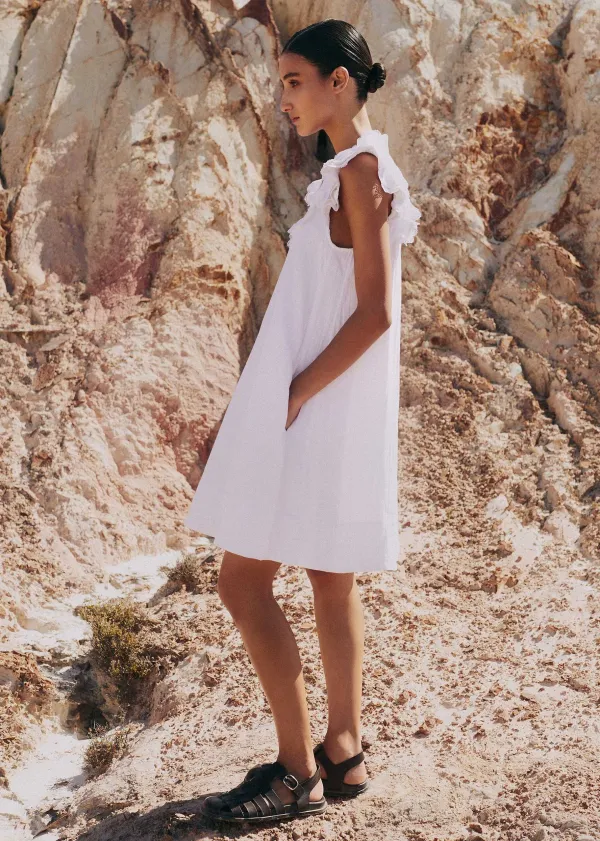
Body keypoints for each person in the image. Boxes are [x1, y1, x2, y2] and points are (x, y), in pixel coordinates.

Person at [185, 18, 421, 825]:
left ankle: (295, 772)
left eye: (294, 81)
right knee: (329, 572)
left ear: (338, 83)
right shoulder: (356, 168)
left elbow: (377, 312)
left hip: (315, 404)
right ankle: (344, 751)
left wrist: (293, 394)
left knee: (241, 579)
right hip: (326, 404)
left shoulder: (361, 171)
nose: (283, 97)